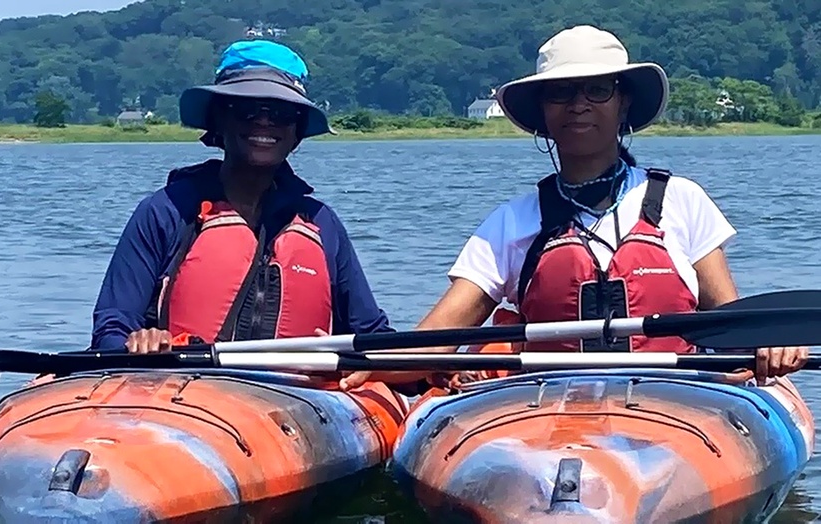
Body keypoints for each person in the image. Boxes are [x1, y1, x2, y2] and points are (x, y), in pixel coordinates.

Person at [338, 25, 808, 391]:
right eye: (561, 92)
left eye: (597, 89)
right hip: (550, 411)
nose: (579, 105)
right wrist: (368, 370)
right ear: (543, 111)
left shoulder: (681, 201)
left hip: (675, 403)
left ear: (623, 102)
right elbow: (436, 338)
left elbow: (730, 318)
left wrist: (768, 343)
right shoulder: (512, 223)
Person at [90, 39, 393, 353]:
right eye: (246, 109)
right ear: (219, 120)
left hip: (292, 394)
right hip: (184, 387)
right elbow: (112, 327)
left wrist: (426, 368)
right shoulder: (165, 212)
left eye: (281, 112)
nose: (264, 121)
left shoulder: (321, 223)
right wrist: (138, 342)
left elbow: (369, 332)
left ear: (297, 133)